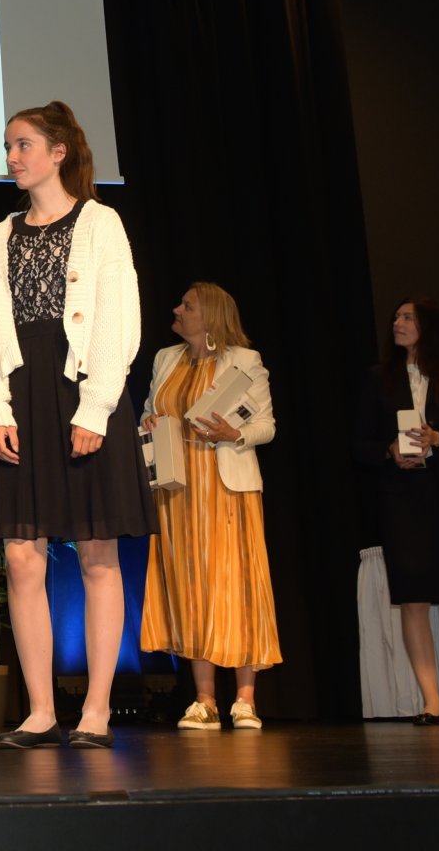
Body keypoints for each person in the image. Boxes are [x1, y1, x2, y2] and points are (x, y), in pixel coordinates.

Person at [0, 101, 152, 749]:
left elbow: (118, 319)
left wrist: (97, 407)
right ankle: (42, 709)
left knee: (97, 552)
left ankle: (97, 708)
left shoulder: (102, 224)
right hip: (24, 397)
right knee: (23, 557)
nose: (13, 156)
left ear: (58, 152)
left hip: (82, 394)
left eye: (23, 144)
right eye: (8, 146)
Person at [140, 283, 281, 730]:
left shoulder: (243, 361)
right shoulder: (167, 359)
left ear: (212, 315)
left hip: (226, 489)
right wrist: (147, 420)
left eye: (188, 305)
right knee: (190, 587)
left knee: (234, 582)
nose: (177, 309)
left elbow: (266, 426)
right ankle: (204, 699)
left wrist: (233, 434)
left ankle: (244, 698)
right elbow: (150, 408)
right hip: (178, 489)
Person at [354, 297, 439, 725]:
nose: (397, 323)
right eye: (395, 317)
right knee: (412, 601)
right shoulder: (377, 379)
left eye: (406, 317)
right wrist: (390, 451)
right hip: (402, 501)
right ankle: (432, 700)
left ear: (429, 326)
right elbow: (359, 445)